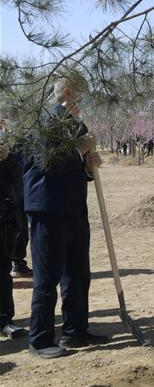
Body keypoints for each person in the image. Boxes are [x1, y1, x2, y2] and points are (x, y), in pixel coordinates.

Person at [24, 76, 107, 358]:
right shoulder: (45, 121)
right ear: (68, 93)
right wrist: (78, 150)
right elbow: (45, 162)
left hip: (74, 208)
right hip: (48, 208)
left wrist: (87, 165)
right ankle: (41, 338)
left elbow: (76, 167)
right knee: (47, 277)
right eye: (80, 94)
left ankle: (75, 332)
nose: (83, 101)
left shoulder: (77, 125)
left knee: (77, 274)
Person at [0, 140, 25, 341]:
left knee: (2, 272)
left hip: (4, 219)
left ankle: (4, 321)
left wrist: (7, 158)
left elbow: (18, 178)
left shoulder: (5, 151)